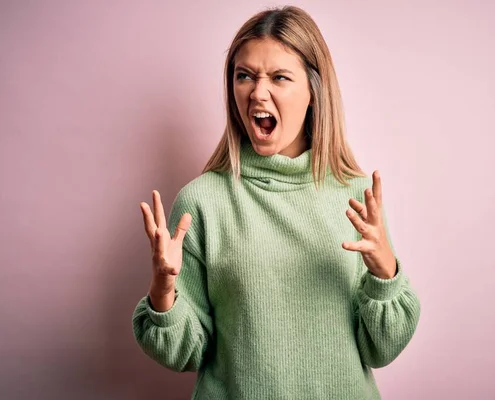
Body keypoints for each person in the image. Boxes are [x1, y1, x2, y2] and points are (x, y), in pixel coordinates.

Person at [133, 5, 421, 399]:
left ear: (313, 93)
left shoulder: (356, 196)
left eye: (279, 77)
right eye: (244, 76)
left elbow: (381, 349)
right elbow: (187, 352)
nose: (257, 92)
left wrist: (385, 274)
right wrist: (163, 291)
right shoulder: (202, 202)